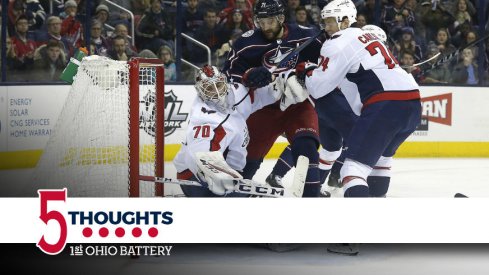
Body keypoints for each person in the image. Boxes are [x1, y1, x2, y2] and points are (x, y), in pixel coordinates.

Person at [298, 0, 421, 201]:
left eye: (330, 21)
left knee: (352, 170)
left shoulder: (336, 42)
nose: (326, 27)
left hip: (386, 104)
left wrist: (307, 70)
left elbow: (318, 88)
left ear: (346, 20)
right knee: (381, 159)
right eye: (324, 22)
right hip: (413, 103)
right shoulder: (371, 35)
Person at [267, 24, 392, 198]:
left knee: (330, 148)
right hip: (327, 104)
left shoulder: (352, 50)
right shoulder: (354, 55)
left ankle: (310, 183)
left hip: (327, 104)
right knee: (324, 140)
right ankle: (280, 175)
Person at [223, 0, 324, 197]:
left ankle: (312, 197)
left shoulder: (306, 35)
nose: (265, 27)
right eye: (261, 21)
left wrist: (306, 70)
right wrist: (249, 75)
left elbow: (325, 61)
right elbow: (229, 73)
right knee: (245, 164)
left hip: (298, 105)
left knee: (307, 149)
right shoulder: (246, 42)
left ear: (281, 18)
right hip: (263, 109)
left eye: (270, 21)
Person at [173, 65, 280, 197]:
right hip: (193, 177)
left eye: (218, 85)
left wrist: (280, 81)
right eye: (210, 88)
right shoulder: (203, 118)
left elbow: (267, 95)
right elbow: (201, 156)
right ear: (201, 91)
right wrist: (221, 177)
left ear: (225, 82)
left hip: (227, 168)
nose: (217, 92)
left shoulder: (236, 93)